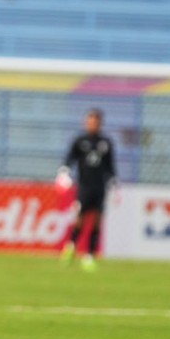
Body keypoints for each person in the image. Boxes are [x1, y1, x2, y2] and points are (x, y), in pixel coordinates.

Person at [57, 108, 116, 272]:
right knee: (80, 219)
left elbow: (110, 166)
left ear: (100, 123)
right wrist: (64, 171)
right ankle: (71, 246)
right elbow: (70, 159)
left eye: (95, 122)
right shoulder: (80, 141)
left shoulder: (106, 143)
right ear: (86, 122)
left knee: (97, 220)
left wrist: (113, 180)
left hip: (100, 187)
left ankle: (89, 255)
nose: (92, 124)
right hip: (84, 186)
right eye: (90, 121)